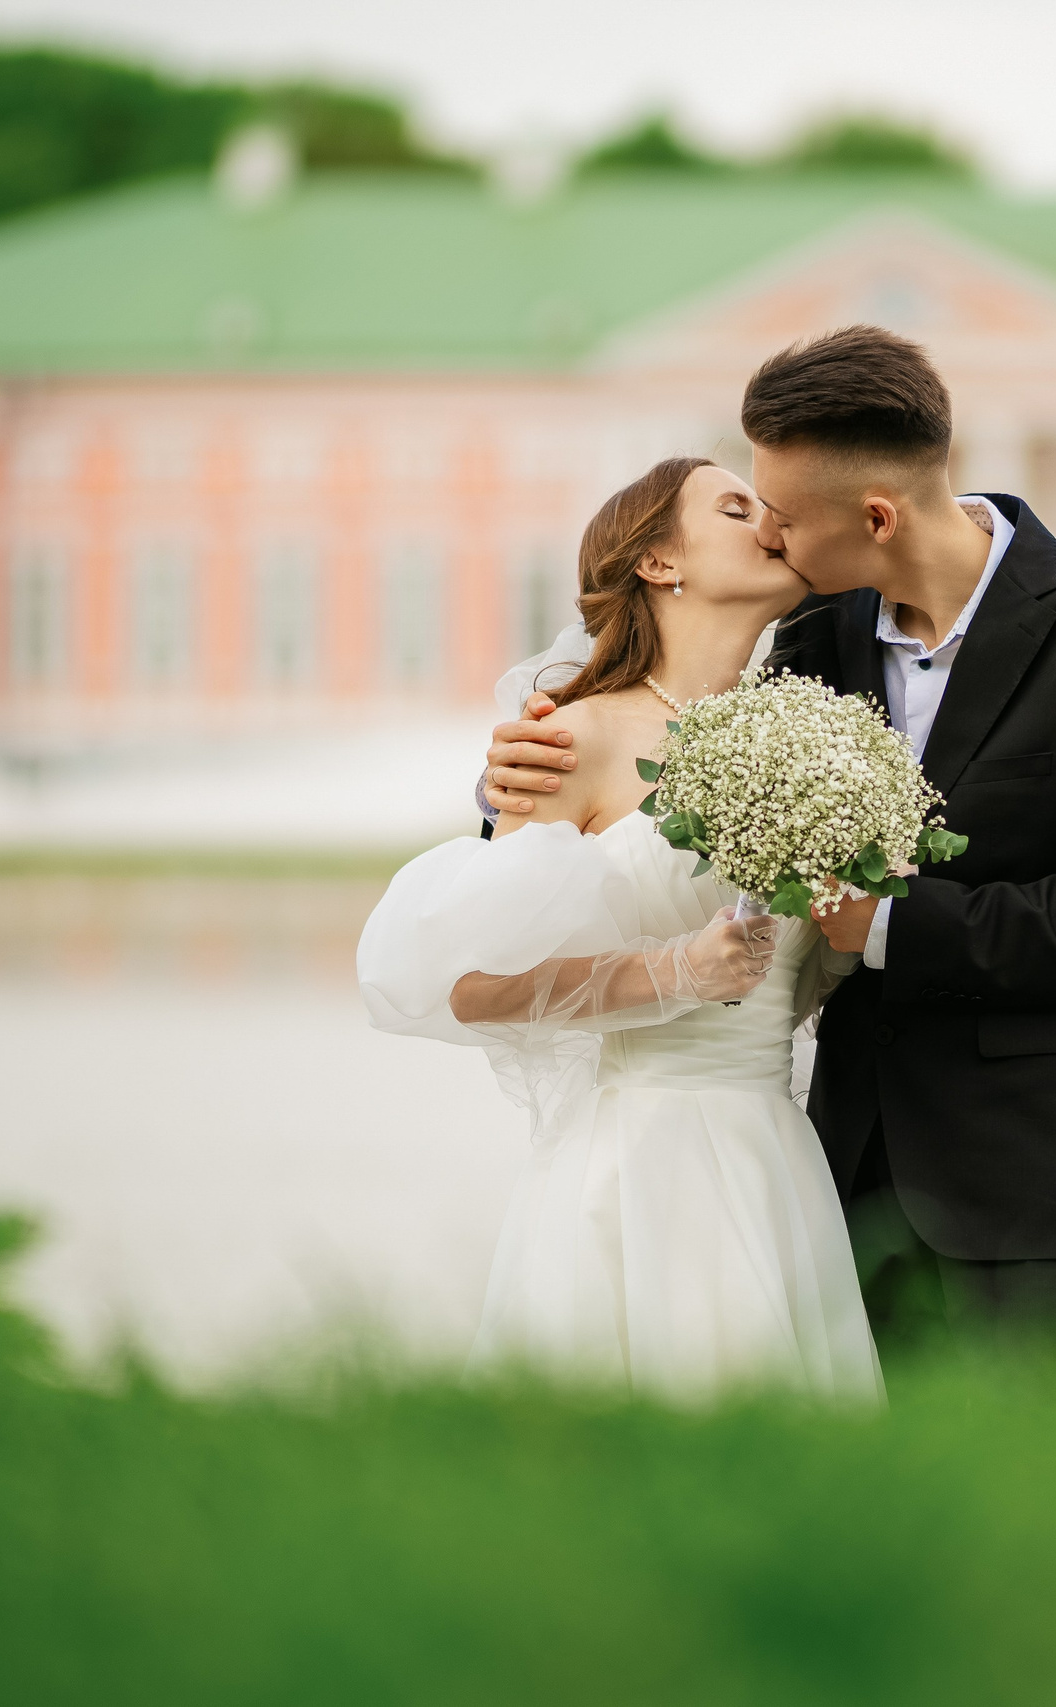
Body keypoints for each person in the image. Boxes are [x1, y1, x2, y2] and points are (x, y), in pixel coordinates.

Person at [483, 327, 1056, 1376]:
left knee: (1036, 1479)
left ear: (875, 517)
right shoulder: (812, 634)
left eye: (781, 517)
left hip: (1040, 1178)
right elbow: (653, 726)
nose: (768, 537)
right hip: (842, 1181)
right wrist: (514, 776)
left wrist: (889, 929)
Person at [360, 457, 881, 1403]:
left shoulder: (808, 742)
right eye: (736, 507)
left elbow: (800, 980)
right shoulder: (571, 739)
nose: (770, 522)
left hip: (773, 1152)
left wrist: (847, 934)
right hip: (639, 1157)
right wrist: (677, 971)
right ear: (659, 561)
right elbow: (472, 989)